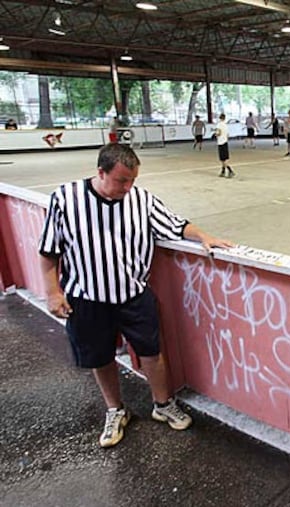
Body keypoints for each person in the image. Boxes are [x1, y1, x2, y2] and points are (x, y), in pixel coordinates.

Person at [38, 143, 234, 448]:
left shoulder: (141, 200)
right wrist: (53, 292)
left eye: (132, 180)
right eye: (121, 181)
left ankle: (162, 404)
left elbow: (177, 225)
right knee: (100, 357)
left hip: (133, 295)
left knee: (151, 353)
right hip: (86, 298)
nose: (127, 187)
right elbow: (49, 251)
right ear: (100, 172)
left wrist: (204, 236)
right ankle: (116, 410)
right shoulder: (65, 199)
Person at [215, 114, 235, 178]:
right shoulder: (226, 125)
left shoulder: (219, 125)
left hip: (220, 142)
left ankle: (230, 170)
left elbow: (219, 132)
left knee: (222, 159)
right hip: (225, 142)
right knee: (225, 158)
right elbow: (227, 135)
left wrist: (216, 134)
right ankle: (223, 171)